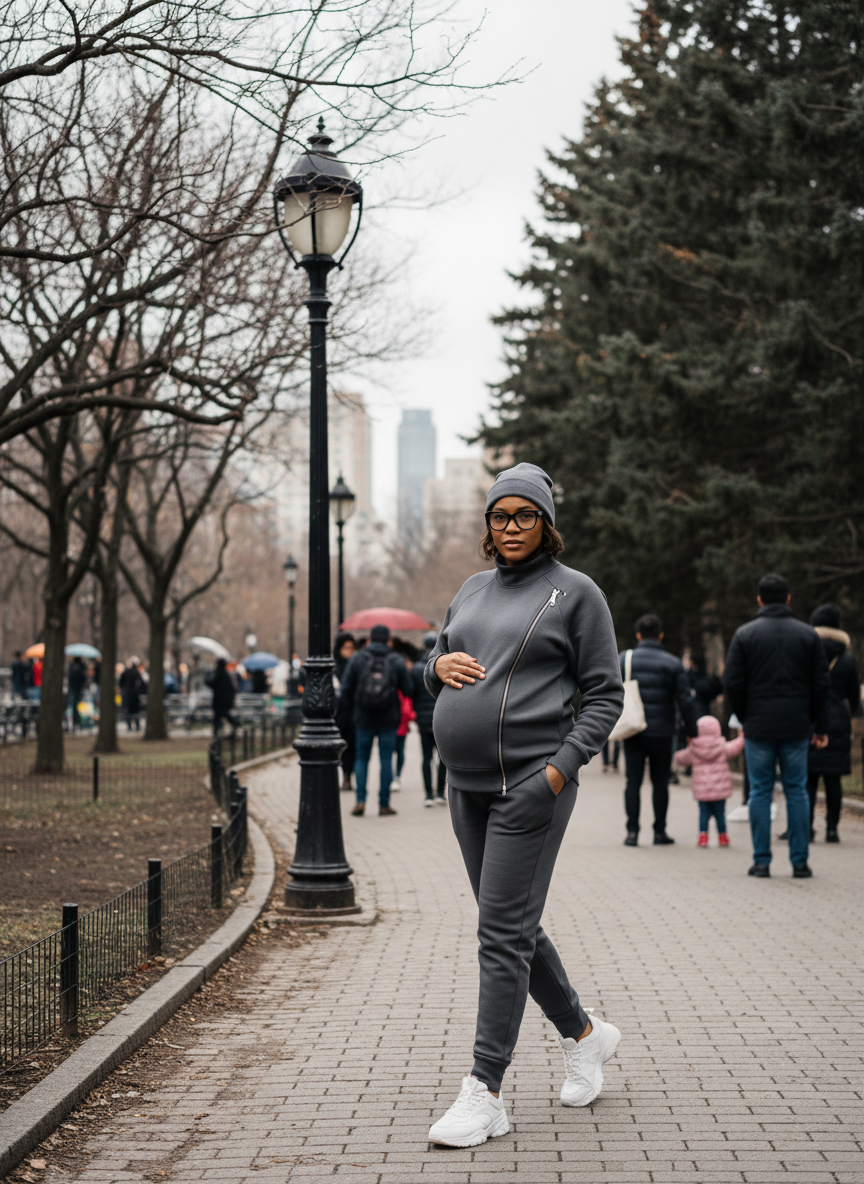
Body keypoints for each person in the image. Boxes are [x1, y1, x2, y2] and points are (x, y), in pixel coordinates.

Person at [424, 462, 624, 1149]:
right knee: (510, 924)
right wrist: (434, 667)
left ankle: (485, 1092)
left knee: (500, 933)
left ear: (546, 523)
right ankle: (584, 1034)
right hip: (465, 785)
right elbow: (438, 660)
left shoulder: (576, 593)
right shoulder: (472, 589)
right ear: (488, 524)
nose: (511, 527)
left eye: (525, 515)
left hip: (529, 788)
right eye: (500, 515)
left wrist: (559, 772)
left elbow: (605, 694)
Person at [724, 573, 831, 879]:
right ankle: (800, 862)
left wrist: (745, 715)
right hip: (797, 724)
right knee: (797, 790)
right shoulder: (808, 635)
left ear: (759, 599)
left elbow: (733, 682)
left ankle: (761, 861)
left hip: (759, 724)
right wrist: (817, 723)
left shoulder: (745, 634)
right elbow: (821, 684)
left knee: (760, 790)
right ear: (788, 598)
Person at [619, 614, 698, 846]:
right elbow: (685, 700)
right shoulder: (672, 663)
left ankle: (632, 832)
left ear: (638, 636)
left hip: (632, 729)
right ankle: (659, 831)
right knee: (660, 782)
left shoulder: (624, 659)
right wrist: (691, 730)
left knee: (632, 781)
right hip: (662, 731)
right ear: (661, 636)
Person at [338, 622, 412, 816]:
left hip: (363, 717)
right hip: (388, 717)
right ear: (389, 640)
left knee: (362, 757)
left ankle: (360, 801)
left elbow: (345, 689)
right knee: (386, 758)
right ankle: (384, 804)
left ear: (370, 639)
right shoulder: (395, 659)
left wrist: (352, 710)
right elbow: (408, 689)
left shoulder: (358, 658)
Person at [805, 604, 861, 842]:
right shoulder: (846, 658)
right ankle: (832, 829)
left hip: (810, 718)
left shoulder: (807, 653)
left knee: (808, 779)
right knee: (833, 780)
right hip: (837, 719)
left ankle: (807, 828)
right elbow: (854, 697)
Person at [673, 716, 745, 846]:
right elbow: (735, 747)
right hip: (719, 790)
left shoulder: (694, 747)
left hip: (702, 791)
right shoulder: (722, 746)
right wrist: (742, 738)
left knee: (704, 814)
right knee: (720, 814)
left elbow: (681, 758)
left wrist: (676, 751)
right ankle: (723, 837)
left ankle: (703, 837)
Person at [412, 630, 448, 805]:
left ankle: (428, 795)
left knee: (426, 757)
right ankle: (440, 792)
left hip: (423, 719)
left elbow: (410, 692)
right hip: (441, 718)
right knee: (442, 758)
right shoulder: (445, 665)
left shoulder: (417, 668)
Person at [334, 631, 357, 792]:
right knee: (342, 748)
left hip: (354, 713)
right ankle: (344, 775)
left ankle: (348, 776)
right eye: (346, 648)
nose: (349, 652)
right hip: (340, 714)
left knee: (353, 748)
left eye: (351, 648)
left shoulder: (355, 665)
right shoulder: (334, 668)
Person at [391, 682, 415, 791]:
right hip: (402, 727)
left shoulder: (391, 691)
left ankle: (392, 777)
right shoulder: (405, 693)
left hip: (391, 727)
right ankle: (397, 776)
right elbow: (408, 712)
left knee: (388, 754)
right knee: (400, 751)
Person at [208, 658, 238, 737]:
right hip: (224, 700)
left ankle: (234, 723)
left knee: (220, 715)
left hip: (219, 700)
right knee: (219, 716)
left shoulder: (219, 674)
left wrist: (207, 680)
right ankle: (216, 733)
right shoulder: (226, 675)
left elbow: (212, 683)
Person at [119, 657, 144, 731]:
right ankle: (137, 725)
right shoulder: (136, 673)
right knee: (135, 711)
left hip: (127, 695)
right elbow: (142, 683)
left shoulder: (125, 672)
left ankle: (129, 726)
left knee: (128, 711)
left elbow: (121, 683)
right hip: (135, 695)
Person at [66, 656, 88, 731]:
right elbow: (83, 679)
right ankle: (78, 722)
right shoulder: (80, 668)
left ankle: (75, 722)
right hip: (79, 690)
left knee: (73, 706)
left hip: (73, 689)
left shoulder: (72, 667)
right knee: (78, 706)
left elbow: (70, 678)